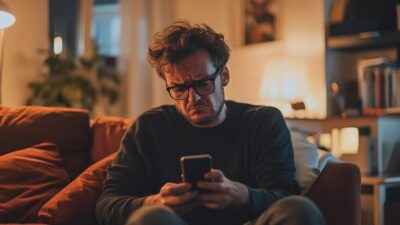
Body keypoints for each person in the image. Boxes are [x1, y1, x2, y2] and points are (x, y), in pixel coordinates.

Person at [95, 21, 325, 225]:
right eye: (179, 88)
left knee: (300, 209)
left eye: (203, 83)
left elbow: (285, 196)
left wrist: (241, 194)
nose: (192, 98)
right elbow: (106, 205)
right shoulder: (148, 127)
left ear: (223, 76)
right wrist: (153, 202)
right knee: (150, 217)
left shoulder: (263, 121)